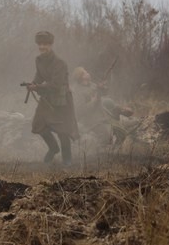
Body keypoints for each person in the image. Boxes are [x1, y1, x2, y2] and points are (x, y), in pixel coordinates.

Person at [24, 31, 79, 166]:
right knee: (38, 125)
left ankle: (67, 160)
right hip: (47, 98)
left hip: (61, 100)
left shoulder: (60, 63)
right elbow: (39, 76)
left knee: (63, 130)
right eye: (40, 44)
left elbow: (56, 85)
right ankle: (53, 148)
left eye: (45, 44)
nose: (42, 47)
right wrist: (32, 84)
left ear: (51, 45)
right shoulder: (39, 60)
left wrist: (37, 87)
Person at [70, 66, 134, 145]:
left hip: (103, 114)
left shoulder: (91, 85)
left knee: (121, 133)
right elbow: (80, 110)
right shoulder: (77, 92)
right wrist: (94, 101)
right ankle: (99, 153)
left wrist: (102, 88)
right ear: (80, 77)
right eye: (85, 72)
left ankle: (115, 151)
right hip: (92, 121)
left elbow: (103, 93)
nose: (88, 73)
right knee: (107, 137)